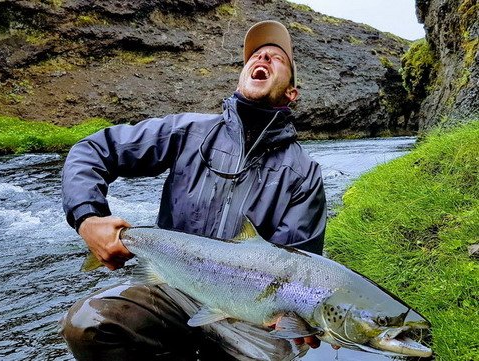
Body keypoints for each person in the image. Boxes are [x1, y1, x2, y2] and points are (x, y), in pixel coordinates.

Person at [61, 20, 329, 360]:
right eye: (256, 55)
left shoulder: (305, 175)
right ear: (243, 73)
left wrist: (307, 320)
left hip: (251, 314)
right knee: (88, 324)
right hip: (173, 288)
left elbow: (299, 270)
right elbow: (93, 150)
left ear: (291, 92)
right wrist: (87, 218)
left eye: (276, 58)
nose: (262, 58)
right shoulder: (188, 131)